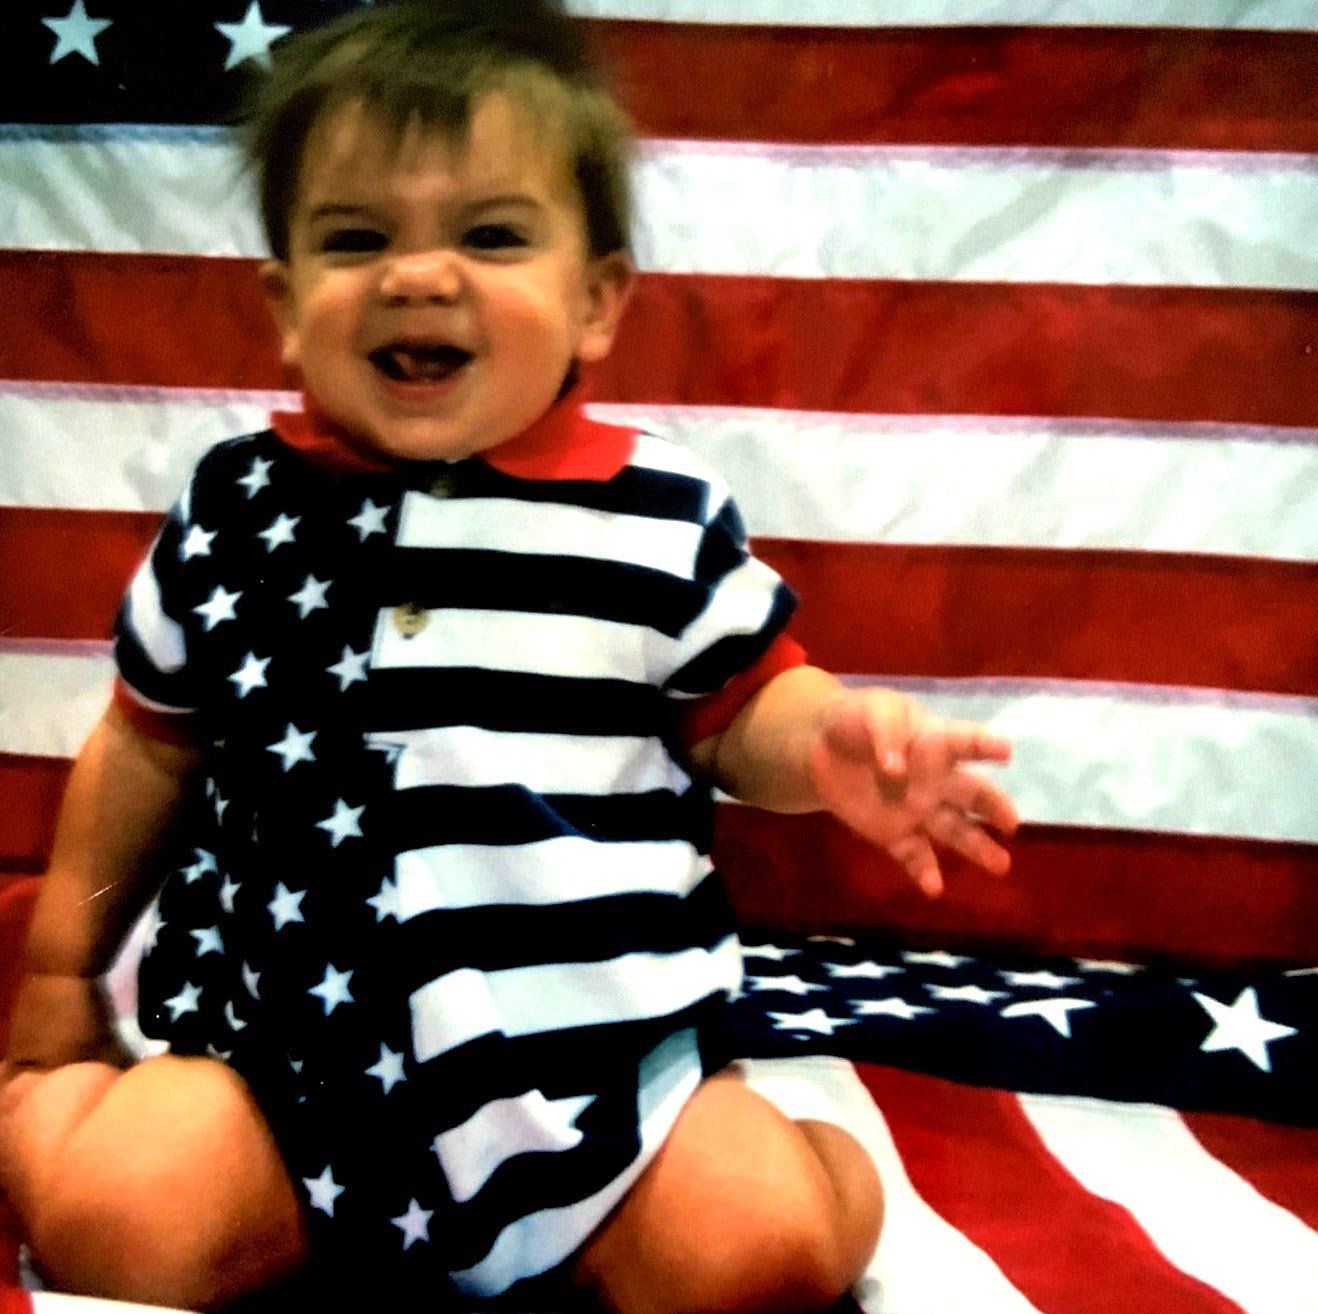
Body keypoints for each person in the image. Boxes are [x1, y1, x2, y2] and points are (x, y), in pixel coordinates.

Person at [0, 3, 1019, 1310]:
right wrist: (58, 971)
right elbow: (145, 744)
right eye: (356, 239)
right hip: (280, 1066)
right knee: (118, 1222)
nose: (417, 276)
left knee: (756, 1253)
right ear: (284, 304)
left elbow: (742, 707)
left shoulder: (653, 515)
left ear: (595, 302)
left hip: (594, 1063)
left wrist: (829, 744)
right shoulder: (233, 511)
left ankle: (818, 1162)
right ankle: (49, 1105)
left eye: (489, 235)